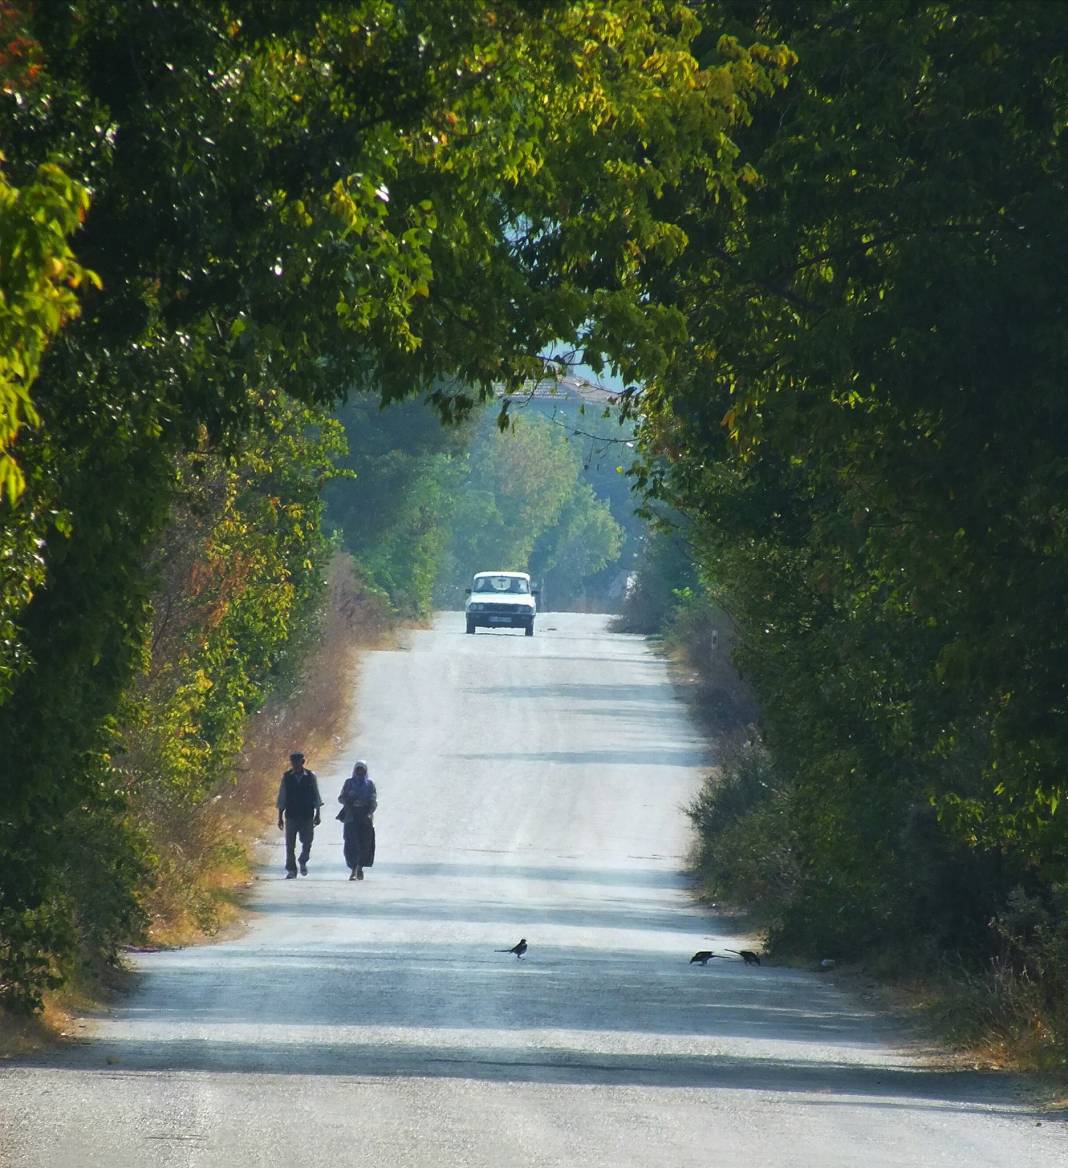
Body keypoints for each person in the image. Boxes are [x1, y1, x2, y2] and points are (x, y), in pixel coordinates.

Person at [276, 751, 322, 878]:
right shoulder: (287, 777)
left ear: (303, 762)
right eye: (293, 762)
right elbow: (282, 797)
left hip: (307, 814)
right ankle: (291, 869)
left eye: (298, 762)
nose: (295, 764)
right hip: (291, 815)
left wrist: (318, 813)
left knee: (307, 841)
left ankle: (303, 860)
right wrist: (280, 816)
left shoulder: (310, 776)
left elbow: (316, 795)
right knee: (290, 844)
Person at [337, 759, 377, 881]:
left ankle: (360, 867)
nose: (360, 773)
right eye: (358, 770)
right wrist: (349, 799)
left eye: (362, 770)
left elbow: (374, 800)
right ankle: (353, 869)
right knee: (350, 843)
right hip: (351, 817)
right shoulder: (349, 783)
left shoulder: (369, 785)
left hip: (365, 817)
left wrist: (368, 809)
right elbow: (341, 798)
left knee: (364, 844)